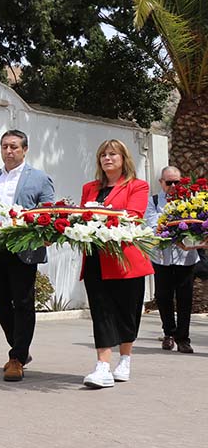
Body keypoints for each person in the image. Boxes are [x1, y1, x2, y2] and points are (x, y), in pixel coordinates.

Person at [0, 130, 54, 381]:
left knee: (23, 302)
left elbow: (49, 212)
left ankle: (16, 358)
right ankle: (20, 348)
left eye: (14, 146)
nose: (9, 151)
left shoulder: (39, 178)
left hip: (23, 248)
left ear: (25, 150)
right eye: (5, 146)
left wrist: (47, 235)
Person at [80, 139, 153, 388]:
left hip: (125, 260)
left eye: (113, 154)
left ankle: (125, 360)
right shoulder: (89, 188)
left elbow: (133, 215)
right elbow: (81, 217)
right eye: (103, 155)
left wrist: (99, 215)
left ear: (123, 159)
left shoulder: (137, 186)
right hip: (95, 258)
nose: (107, 158)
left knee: (127, 312)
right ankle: (102, 367)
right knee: (101, 312)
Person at [145, 166, 201, 353]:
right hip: (162, 258)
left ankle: (183, 338)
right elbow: (152, 226)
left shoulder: (192, 200)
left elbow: (197, 225)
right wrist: (174, 229)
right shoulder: (153, 201)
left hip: (186, 257)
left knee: (185, 298)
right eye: (169, 182)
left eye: (177, 182)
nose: (173, 186)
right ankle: (169, 333)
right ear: (161, 182)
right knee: (163, 297)